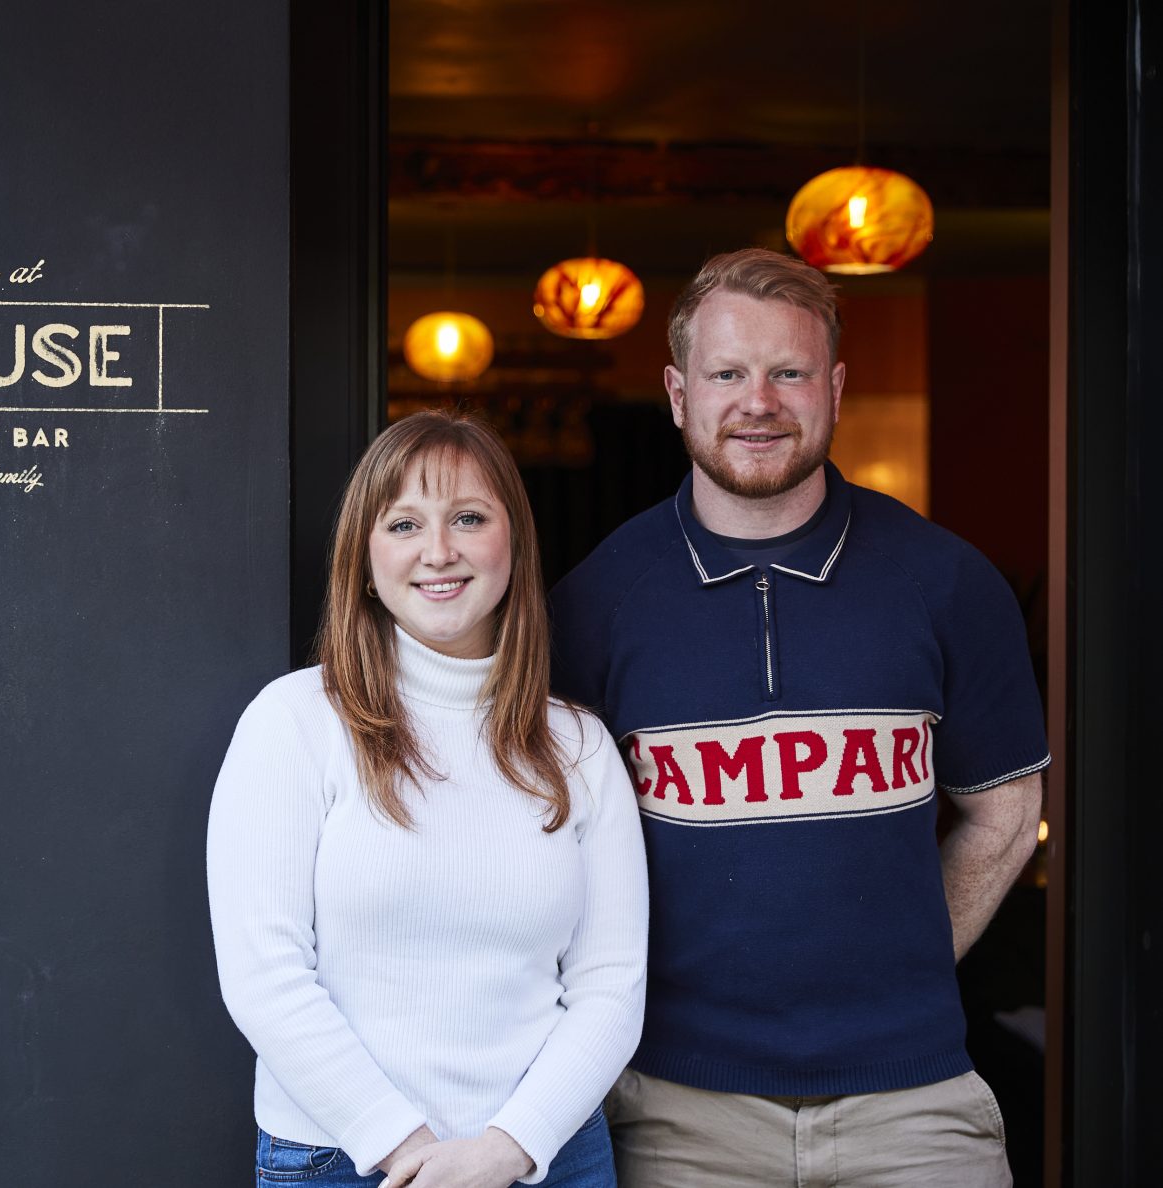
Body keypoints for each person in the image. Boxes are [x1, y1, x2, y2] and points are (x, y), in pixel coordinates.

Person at [550, 247, 1048, 1187]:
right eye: (728, 374)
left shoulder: (945, 581)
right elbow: (544, 847)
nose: (759, 401)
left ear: (835, 386)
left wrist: (902, 956)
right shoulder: (594, 604)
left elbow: (1007, 810)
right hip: (676, 1107)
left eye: (789, 372)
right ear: (676, 392)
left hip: (915, 1105)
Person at [208, 410, 648, 1188]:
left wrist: (507, 1147)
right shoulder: (293, 722)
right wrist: (408, 1150)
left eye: (469, 518)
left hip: (548, 1156)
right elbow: (264, 975)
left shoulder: (578, 746)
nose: (438, 551)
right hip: (342, 1161)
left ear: (512, 541)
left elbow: (611, 986)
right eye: (404, 523)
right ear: (365, 558)